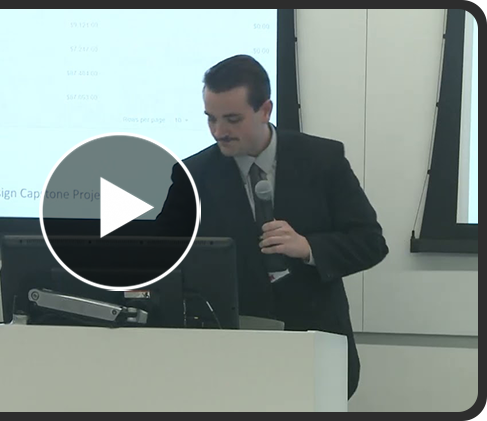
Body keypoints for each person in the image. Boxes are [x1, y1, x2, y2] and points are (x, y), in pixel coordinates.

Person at [155, 55, 389, 399]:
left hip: (313, 344)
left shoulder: (323, 160)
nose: (219, 131)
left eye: (232, 119)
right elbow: (164, 257)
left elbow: (371, 242)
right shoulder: (193, 174)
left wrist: (309, 248)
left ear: (265, 110)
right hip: (228, 353)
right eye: (211, 118)